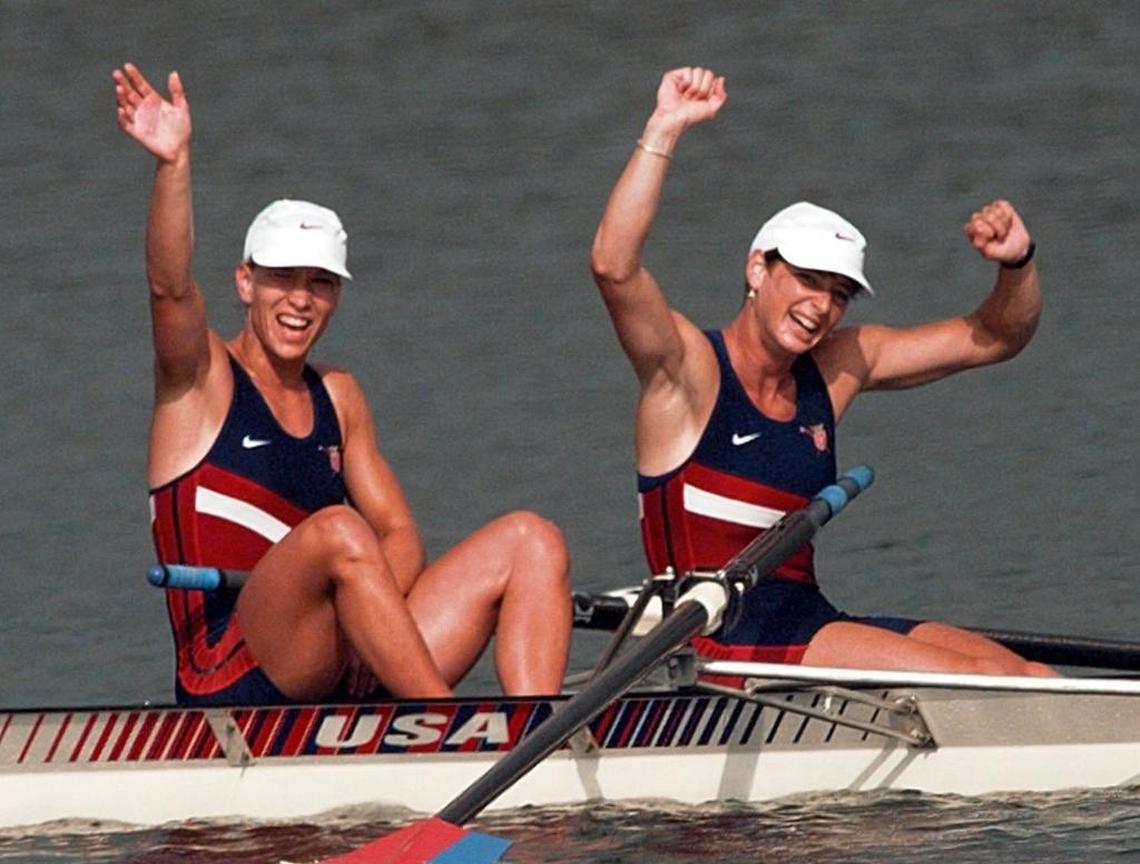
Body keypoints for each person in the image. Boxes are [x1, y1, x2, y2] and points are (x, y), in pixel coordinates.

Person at [114, 62, 572, 705]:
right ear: (245, 283)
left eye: (320, 283)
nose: (300, 300)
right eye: (282, 278)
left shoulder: (339, 396)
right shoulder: (199, 380)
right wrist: (173, 164)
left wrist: (367, 609)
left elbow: (401, 535)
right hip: (231, 669)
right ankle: (443, 728)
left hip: (341, 650)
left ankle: (532, 737)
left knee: (533, 538)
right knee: (338, 529)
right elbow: (169, 286)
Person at [590, 66, 1055, 677]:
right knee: (994, 683)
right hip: (717, 645)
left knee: (1036, 677)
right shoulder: (689, 370)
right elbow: (614, 265)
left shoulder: (835, 369)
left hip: (805, 623)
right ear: (758, 269)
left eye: (838, 294)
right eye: (808, 280)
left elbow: (996, 337)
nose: (821, 307)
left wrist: (1017, 262)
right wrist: (665, 127)